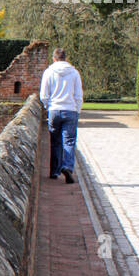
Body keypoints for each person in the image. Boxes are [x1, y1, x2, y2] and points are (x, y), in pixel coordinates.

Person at [39, 47, 83, 184]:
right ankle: (68, 167)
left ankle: (54, 171)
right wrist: (77, 110)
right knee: (69, 141)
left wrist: (48, 107)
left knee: (55, 142)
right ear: (66, 58)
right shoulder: (74, 73)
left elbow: (44, 95)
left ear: (54, 58)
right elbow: (78, 95)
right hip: (70, 110)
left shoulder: (48, 72)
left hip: (55, 110)